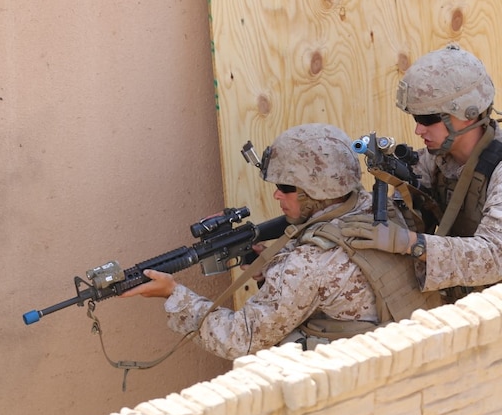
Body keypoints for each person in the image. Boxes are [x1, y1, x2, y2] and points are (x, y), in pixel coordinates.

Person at [121, 123, 437, 361]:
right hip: (407, 347)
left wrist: (173, 294)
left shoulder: (305, 265)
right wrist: (270, 262)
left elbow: (239, 338)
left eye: (285, 187)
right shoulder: (379, 207)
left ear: (313, 192)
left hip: (354, 376)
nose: (276, 194)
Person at [341, 44, 502, 301]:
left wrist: (409, 243)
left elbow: (495, 256)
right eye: (416, 118)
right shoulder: (435, 161)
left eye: (428, 119)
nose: (418, 130)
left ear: (468, 113)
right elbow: (396, 217)